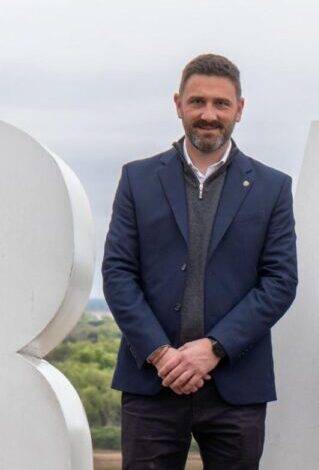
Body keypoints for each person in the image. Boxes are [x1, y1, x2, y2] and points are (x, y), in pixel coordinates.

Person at [102, 53, 298, 470]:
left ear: (239, 109)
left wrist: (213, 348)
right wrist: (161, 354)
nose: (209, 114)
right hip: (151, 382)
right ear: (178, 104)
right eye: (198, 102)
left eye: (221, 104)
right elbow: (118, 274)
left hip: (236, 386)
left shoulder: (273, 187)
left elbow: (280, 281)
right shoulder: (137, 179)